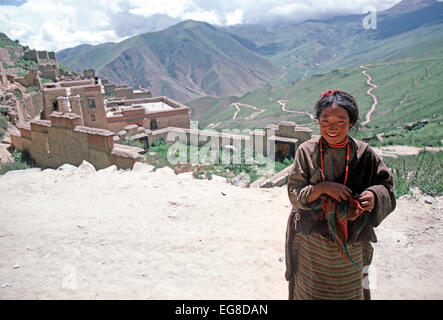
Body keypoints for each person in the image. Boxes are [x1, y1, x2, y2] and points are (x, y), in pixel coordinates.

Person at [285, 89, 396, 300]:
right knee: (310, 293)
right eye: (325, 120)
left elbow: (386, 188)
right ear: (318, 121)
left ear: (352, 122)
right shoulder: (306, 151)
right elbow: (294, 193)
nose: (332, 127)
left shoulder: (365, 154)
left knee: (348, 293)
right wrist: (322, 188)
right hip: (312, 243)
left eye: (341, 121)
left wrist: (374, 195)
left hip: (351, 242)